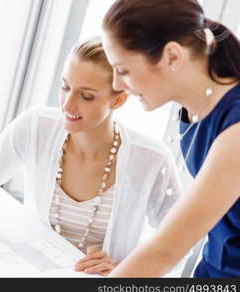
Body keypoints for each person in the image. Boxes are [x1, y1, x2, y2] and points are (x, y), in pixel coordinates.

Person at [0, 37, 182, 276]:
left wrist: (127, 270)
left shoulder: (151, 159)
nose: (68, 103)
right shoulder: (37, 126)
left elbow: (180, 240)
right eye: (65, 86)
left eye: (86, 95)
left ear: (118, 99)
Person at [101, 0, 240, 277]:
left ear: (173, 57)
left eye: (124, 70)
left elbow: (165, 252)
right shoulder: (195, 108)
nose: (117, 84)